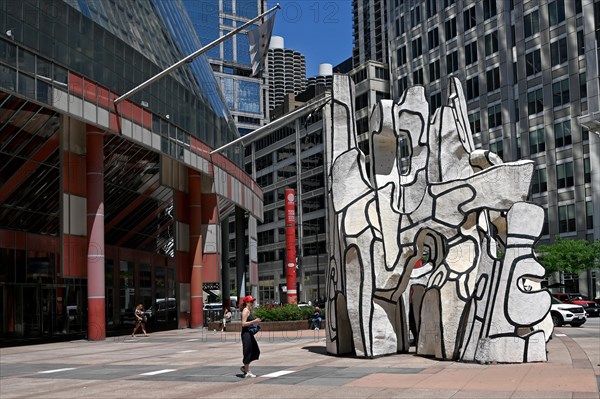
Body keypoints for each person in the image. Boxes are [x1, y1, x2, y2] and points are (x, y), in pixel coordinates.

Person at [240, 295, 261, 378]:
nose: (252, 303)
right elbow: (243, 324)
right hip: (246, 334)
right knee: (247, 351)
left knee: (255, 351)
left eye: (252, 301)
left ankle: (245, 367)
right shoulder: (245, 310)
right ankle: (247, 370)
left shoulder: (249, 310)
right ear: (246, 302)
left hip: (249, 334)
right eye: (250, 301)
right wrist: (254, 321)